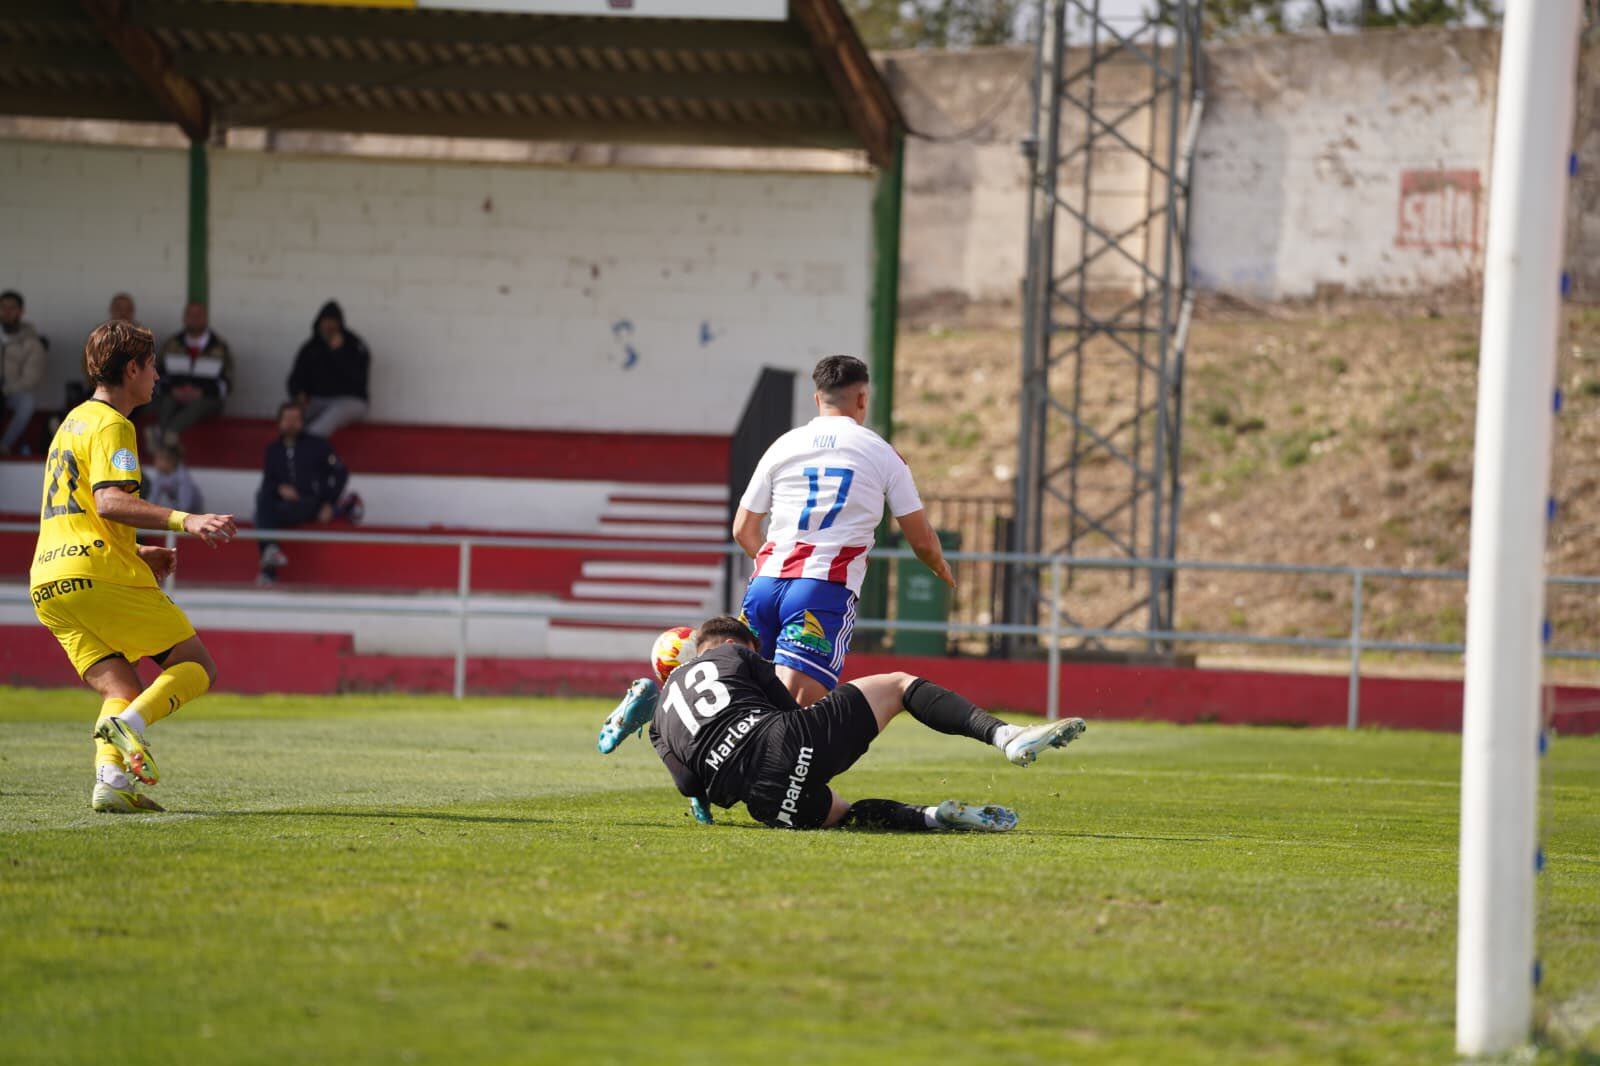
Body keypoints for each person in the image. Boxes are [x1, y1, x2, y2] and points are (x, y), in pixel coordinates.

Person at [29, 320, 237, 813]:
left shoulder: (71, 423)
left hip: (49, 582)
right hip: (98, 575)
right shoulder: (113, 424)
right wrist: (187, 520)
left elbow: (79, 512)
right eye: (152, 366)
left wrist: (138, 552)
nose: (158, 377)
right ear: (132, 368)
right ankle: (129, 728)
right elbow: (109, 501)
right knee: (197, 666)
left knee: (121, 686)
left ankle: (111, 781)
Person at [615, 615, 1085, 831]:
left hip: (763, 800)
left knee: (844, 814)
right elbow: (787, 710)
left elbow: (687, 783)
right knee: (900, 685)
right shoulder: (737, 652)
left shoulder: (658, 719)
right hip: (783, 740)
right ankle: (1006, 735)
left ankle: (932, 818)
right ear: (739, 643)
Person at [732, 354, 955, 707]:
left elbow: (743, 530)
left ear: (817, 398)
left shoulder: (782, 446)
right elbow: (922, 540)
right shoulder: (881, 454)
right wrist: (939, 565)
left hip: (764, 587)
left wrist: (776, 564)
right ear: (863, 398)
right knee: (798, 714)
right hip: (821, 588)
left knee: (744, 699)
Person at [254, 400, 359, 586]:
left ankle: (269, 562)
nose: (291, 423)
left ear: (302, 422)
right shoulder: (273, 450)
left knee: (263, 513)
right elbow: (268, 482)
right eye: (287, 419)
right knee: (263, 499)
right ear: (279, 422)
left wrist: (329, 502)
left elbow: (340, 473)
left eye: (296, 419)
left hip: (310, 503)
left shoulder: (317, 446)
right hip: (283, 506)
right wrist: (280, 488)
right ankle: (271, 553)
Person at [287, 300, 371, 439]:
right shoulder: (310, 347)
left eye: (333, 323)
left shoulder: (354, 344)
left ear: (340, 324)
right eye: (325, 322)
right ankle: (287, 452)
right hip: (317, 400)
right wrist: (299, 394)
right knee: (291, 415)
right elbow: (296, 378)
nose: (328, 327)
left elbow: (358, 376)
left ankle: (308, 446)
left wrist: (339, 352)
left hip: (350, 401)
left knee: (330, 418)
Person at [154, 302, 234, 446]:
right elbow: (156, 378)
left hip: (207, 400)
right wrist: (173, 390)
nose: (194, 318)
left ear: (206, 318)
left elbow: (226, 384)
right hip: (175, 396)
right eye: (190, 315)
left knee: (198, 405)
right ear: (184, 317)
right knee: (167, 401)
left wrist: (200, 392)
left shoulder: (219, 347)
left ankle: (168, 435)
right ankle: (164, 439)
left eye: (199, 315)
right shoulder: (172, 344)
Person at [1, 289, 46, 455]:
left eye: (11, 308)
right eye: (3, 307)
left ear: (21, 311)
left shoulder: (31, 341)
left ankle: (4, 445)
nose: (6, 312)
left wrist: (4, 391)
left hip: (12, 392)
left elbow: (31, 378)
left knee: (27, 402)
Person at [144, 442, 204, 514]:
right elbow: (153, 498)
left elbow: (185, 506)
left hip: (194, 512)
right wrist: (147, 511)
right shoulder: (160, 476)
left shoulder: (182, 477)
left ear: (171, 461)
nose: (155, 462)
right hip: (177, 509)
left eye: (159, 458)